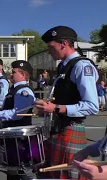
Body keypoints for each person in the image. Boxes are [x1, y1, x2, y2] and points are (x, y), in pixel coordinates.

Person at [35, 25, 99, 180]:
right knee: (52, 175)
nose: (49, 51)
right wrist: (47, 106)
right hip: (58, 130)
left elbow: (92, 106)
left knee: (67, 177)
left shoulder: (82, 66)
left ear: (63, 44)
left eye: (51, 47)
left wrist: (56, 108)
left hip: (70, 129)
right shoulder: (64, 67)